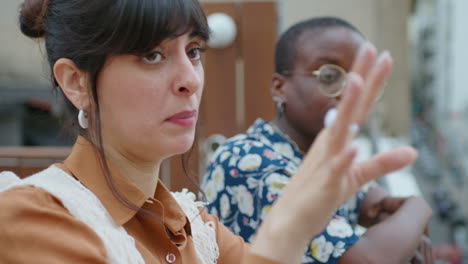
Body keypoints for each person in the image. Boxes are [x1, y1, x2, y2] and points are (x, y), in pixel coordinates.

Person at [0, 1, 418, 263]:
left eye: (195, 51)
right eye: (152, 54)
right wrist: (290, 225)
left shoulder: (196, 227)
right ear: (76, 82)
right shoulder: (32, 219)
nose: (190, 79)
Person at [202, 17, 433, 264]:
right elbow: (369, 260)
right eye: (330, 76)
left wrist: (404, 229)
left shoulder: (314, 155)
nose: (348, 92)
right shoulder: (248, 162)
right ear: (280, 87)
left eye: (360, 80)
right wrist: (420, 208)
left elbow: (378, 207)